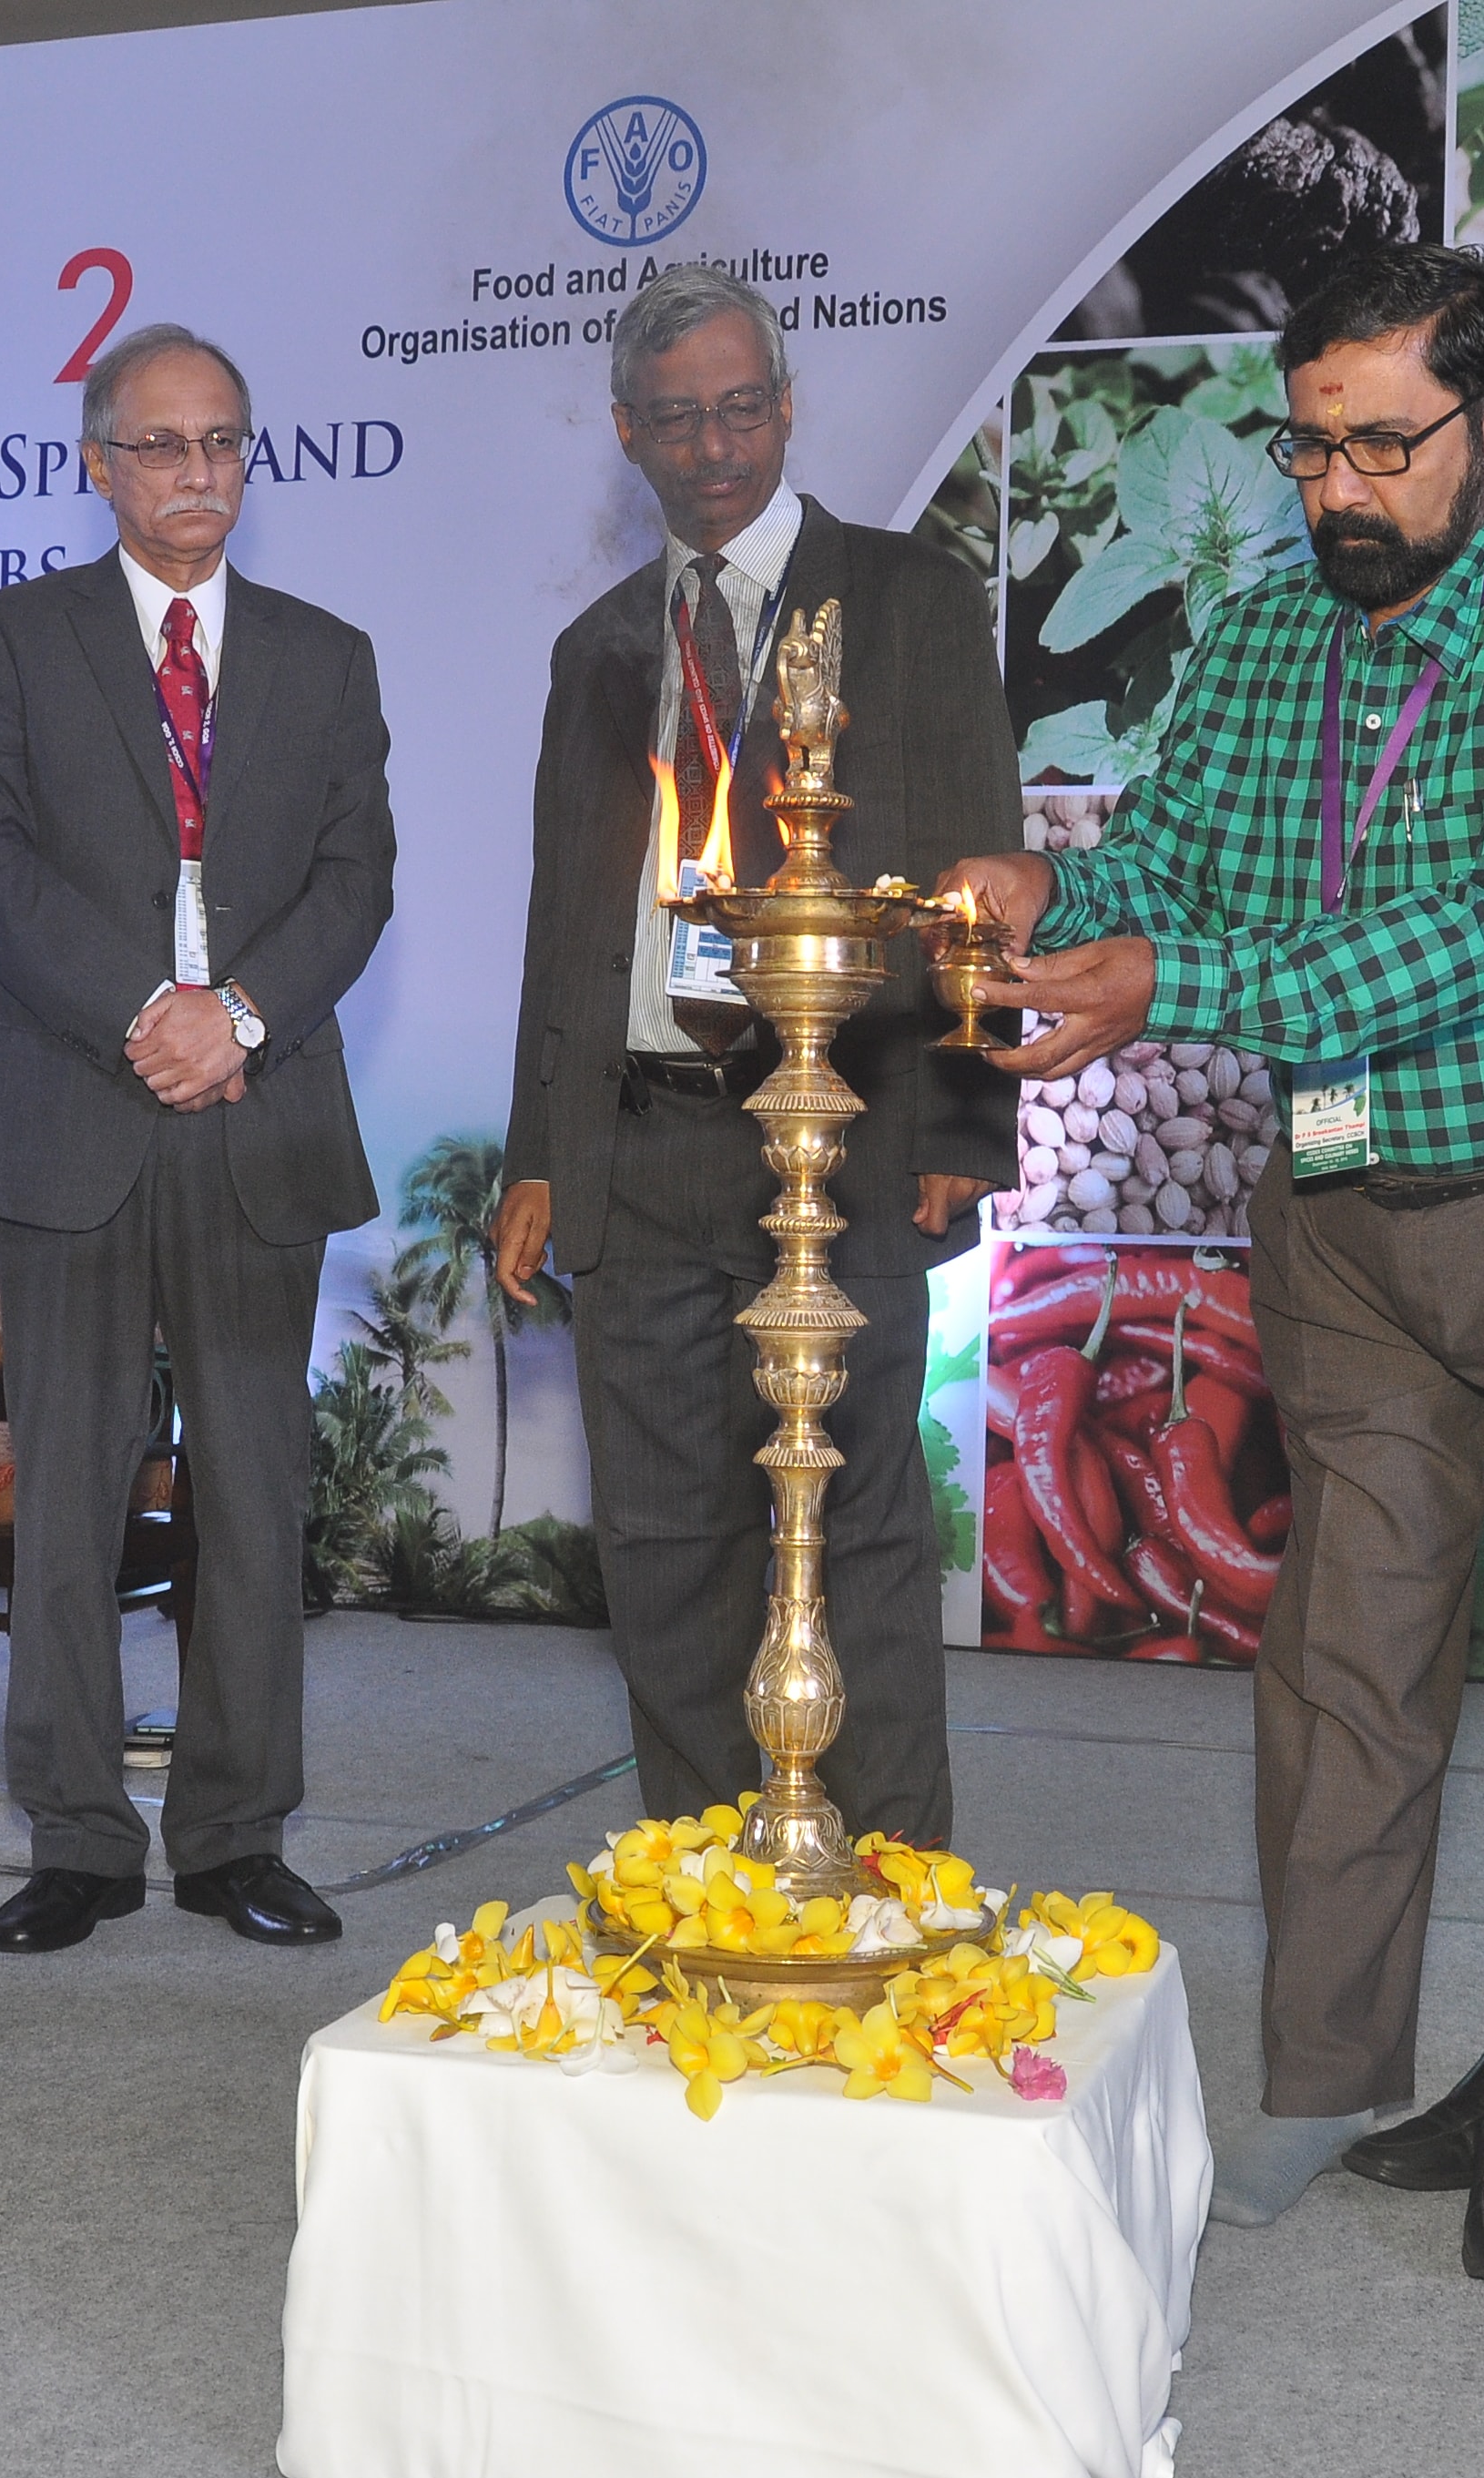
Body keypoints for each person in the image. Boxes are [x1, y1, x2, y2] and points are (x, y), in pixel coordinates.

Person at [948, 243, 1484, 2279]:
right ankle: (1322, 2076)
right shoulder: (1260, 642)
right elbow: (1177, 863)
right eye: (1310, 446)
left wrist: (1174, 984)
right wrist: (1050, 885)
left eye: (1386, 447)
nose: (1339, 489)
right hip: (1347, 1215)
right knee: (1342, 1664)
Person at [493, 266, 1014, 1849]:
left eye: (737, 410)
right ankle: (708, 1894)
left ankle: (895, 1891)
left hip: (847, 1128)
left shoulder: (910, 600)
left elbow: (976, 874)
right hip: (640, 1138)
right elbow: (565, 928)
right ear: (626, 433)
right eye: (675, 420)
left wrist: (966, 1122)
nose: (711, 448)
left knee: (856, 1537)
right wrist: (537, 1154)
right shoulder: (596, 646)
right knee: (663, 1552)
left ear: (786, 408)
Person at [0, 321, 394, 1954]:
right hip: (75, 1102)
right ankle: (74, 1836)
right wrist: (149, 1011)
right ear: (98, 463)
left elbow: (356, 881)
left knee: (255, 1491)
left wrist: (236, 1017)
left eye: (224, 442)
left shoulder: (328, 656)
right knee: (65, 1492)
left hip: (259, 1113)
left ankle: (233, 1837)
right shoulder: (17, 636)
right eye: (163, 445)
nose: (198, 473)